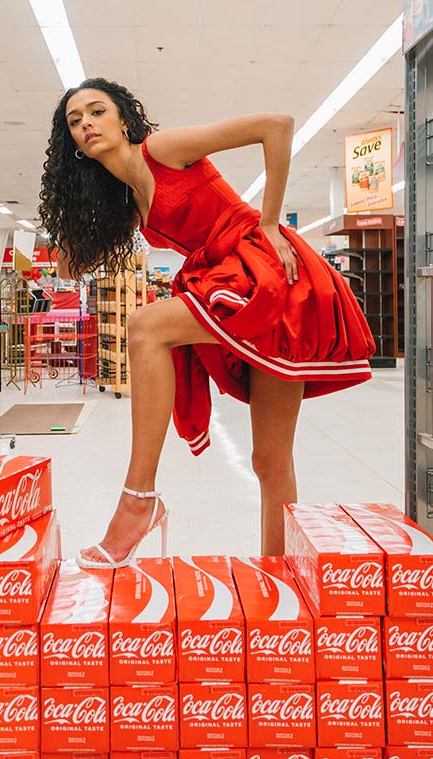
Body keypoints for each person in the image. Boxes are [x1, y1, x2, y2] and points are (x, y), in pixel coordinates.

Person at [39, 77, 375, 564]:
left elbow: (275, 127)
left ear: (123, 118)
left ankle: (138, 501)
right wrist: (73, 204)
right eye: (74, 121)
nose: (87, 124)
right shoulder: (128, 202)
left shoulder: (162, 150)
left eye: (97, 111)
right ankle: (278, 574)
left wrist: (268, 221)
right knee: (270, 461)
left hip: (263, 267)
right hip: (230, 282)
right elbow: (69, 268)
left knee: (145, 327)